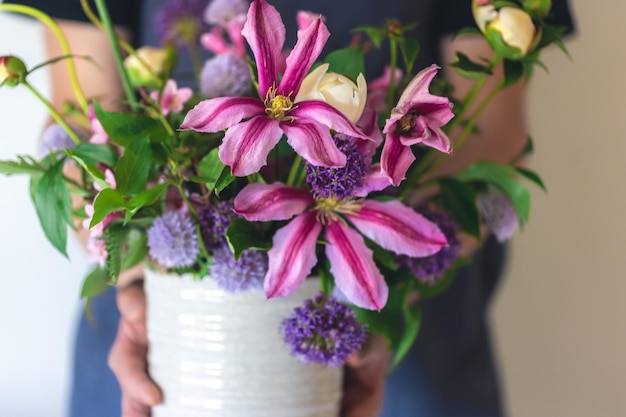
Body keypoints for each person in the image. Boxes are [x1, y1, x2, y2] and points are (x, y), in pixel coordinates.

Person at [11, 1, 574, 417]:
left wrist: (376, 296)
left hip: (395, 344)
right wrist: (138, 286)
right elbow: (80, 113)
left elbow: (493, 127)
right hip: (165, 326)